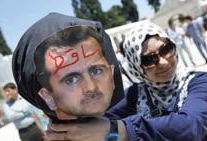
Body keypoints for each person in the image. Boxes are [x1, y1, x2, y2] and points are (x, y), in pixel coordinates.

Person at [46, 23, 207, 141]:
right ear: (136, 66)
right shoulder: (137, 93)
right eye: (149, 59)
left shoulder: (200, 81)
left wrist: (124, 130)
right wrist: (66, 122)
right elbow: (99, 118)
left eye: (166, 49)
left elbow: (192, 127)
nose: (163, 61)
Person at [12, 12, 126, 140]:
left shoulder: (135, 123)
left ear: (111, 71)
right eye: (71, 79)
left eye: (96, 71)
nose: (91, 87)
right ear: (47, 96)